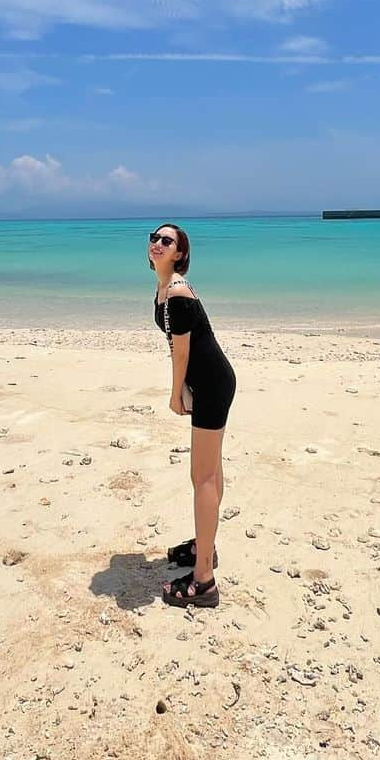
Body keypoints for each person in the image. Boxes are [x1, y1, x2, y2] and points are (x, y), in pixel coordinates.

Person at [149, 223, 236, 608]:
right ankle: (205, 545)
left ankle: (204, 580)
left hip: (212, 384)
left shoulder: (178, 294)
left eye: (167, 241)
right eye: (154, 237)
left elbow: (182, 352)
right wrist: (186, 386)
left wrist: (175, 392)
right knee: (211, 471)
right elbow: (176, 344)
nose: (157, 243)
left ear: (180, 253)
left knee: (201, 476)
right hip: (208, 382)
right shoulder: (165, 287)